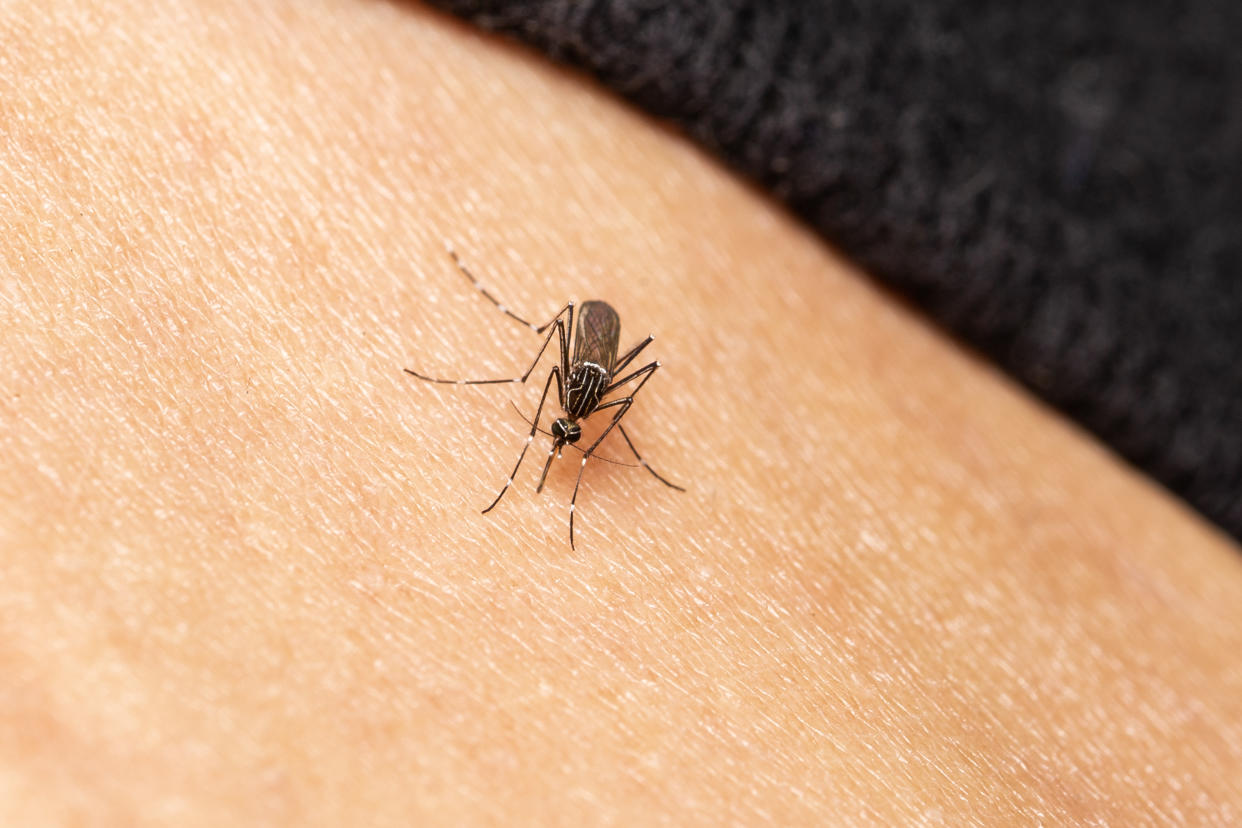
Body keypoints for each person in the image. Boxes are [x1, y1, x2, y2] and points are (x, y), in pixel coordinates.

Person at [3, 1, 1240, 822]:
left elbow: (600, 372)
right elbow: (568, 355)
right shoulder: (558, 387)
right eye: (565, 433)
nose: (563, 433)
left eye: (565, 434)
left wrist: (601, 438)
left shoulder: (596, 402)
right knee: (534, 354)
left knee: (610, 389)